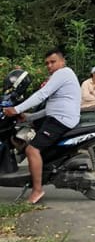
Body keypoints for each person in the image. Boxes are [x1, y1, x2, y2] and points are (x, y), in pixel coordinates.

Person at [1, 48, 81, 204]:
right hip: (57, 117)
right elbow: (52, 107)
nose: (49, 66)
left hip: (61, 120)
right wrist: (29, 117)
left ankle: (37, 190)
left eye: (53, 62)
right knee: (26, 134)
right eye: (47, 63)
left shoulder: (63, 73)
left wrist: (16, 109)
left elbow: (41, 95)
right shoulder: (61, 76)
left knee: (32, 150)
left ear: (62, 61)